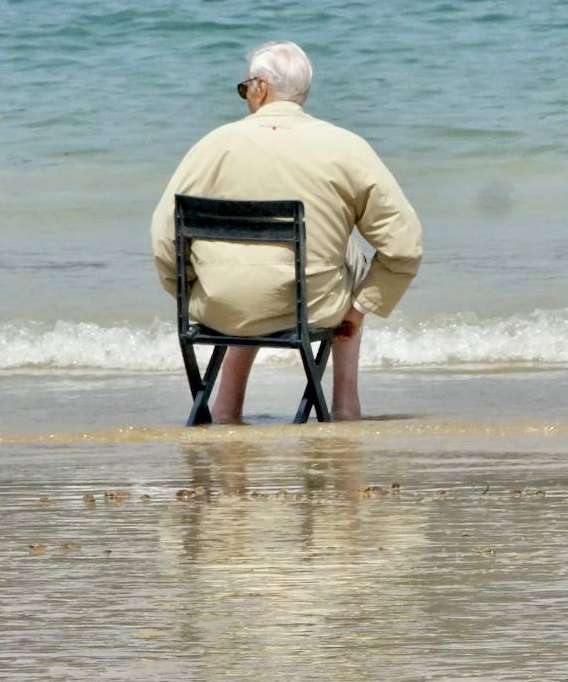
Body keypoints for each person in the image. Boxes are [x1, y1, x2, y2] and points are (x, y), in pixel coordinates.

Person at [150, 41, 422, 423]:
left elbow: (164, 237)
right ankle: (344, 406)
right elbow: (405, 244)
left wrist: (190, 289)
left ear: (260, 87)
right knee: (351, 256)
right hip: (308, 308)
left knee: (248, 264)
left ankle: (226, 408)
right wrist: (361, 310)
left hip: (220, 308)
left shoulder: (210, 147)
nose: (246, 96)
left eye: (245, 88)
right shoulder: (346, 147)